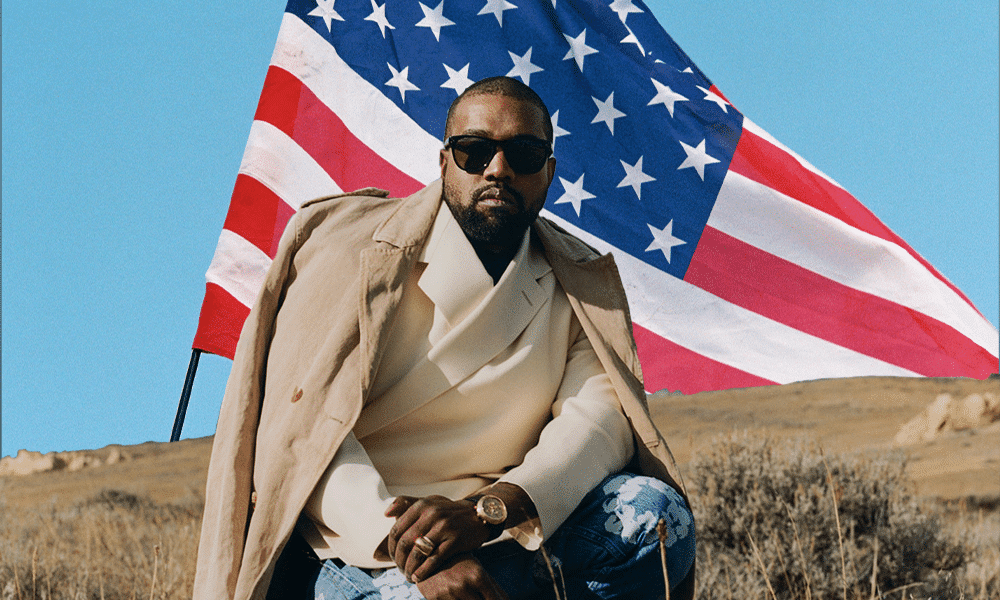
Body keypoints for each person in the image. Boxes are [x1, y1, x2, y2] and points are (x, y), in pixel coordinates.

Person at [194, 76, 695, 600]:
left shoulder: (578, 279)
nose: (497, 169)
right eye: (474, 151)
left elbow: (597, 423)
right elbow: (302, 432)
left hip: (502, 529)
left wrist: (490, 510)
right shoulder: (349, 251)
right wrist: (416, 550)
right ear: (443, 163)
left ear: (548, 172)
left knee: (657, 517)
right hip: (357, 544)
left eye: (523, 154)